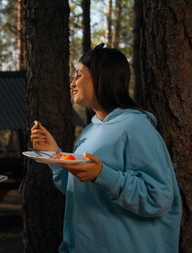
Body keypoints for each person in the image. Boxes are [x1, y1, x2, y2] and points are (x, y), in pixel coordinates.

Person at [31, 44, 182, 253]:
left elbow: (158, 198)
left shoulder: (136, 127)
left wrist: (102, 175)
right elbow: (77, 190)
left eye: (78, 75)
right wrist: (53, 154)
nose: (72, 83)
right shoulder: (91, 130)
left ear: (102, 78)